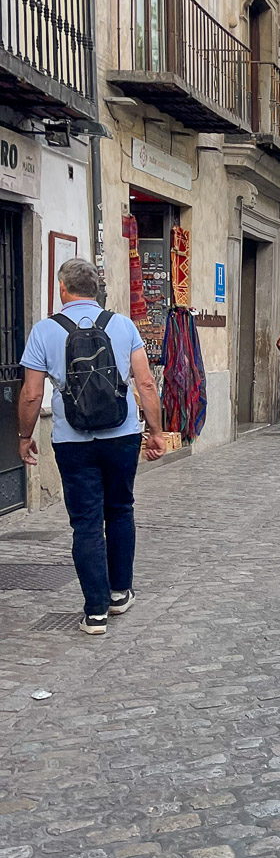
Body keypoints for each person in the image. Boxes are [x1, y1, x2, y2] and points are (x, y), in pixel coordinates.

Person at [17, 257, 166, 636]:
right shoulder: (122, 325)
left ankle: (95, 613)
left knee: (85, 524)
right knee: (120, 510)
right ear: (96, 289)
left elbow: (33, 394)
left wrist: (24, 436)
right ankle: (120, 594)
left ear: (63, 289)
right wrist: (157, 432)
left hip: (73, 441)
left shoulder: (44, 331)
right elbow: (146, 384)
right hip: (121, 435)